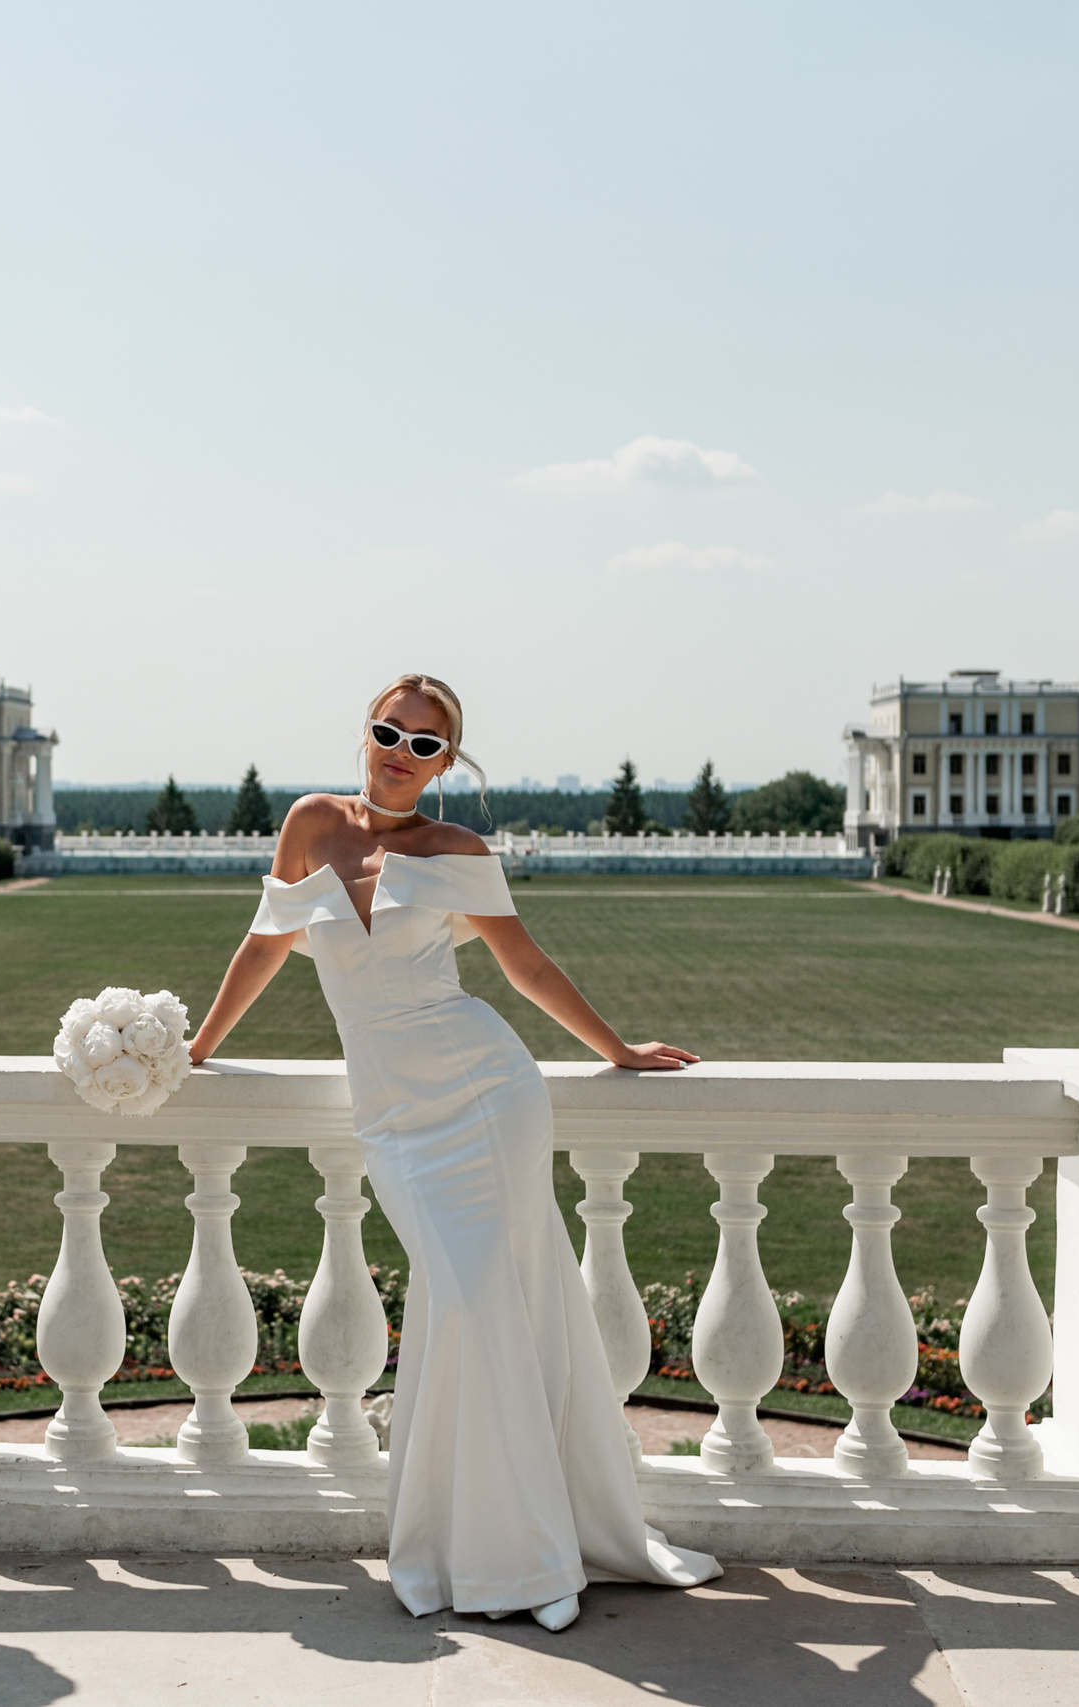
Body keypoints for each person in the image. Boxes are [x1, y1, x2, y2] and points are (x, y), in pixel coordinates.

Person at [187, 673, 722, 1629]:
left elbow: (525, 966)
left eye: (426, 743)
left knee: (491, 1305)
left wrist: (617, 1049)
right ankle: (471, 1542)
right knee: (463, 1306)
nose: (403, 752)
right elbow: (263, 946)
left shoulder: (457, 850)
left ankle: (533, 1560)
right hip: (394, 1118)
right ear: (365, 733)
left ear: (445, 763)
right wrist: (193, 1051)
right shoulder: (311, 822)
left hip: (485, 1094)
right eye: (391, 731)